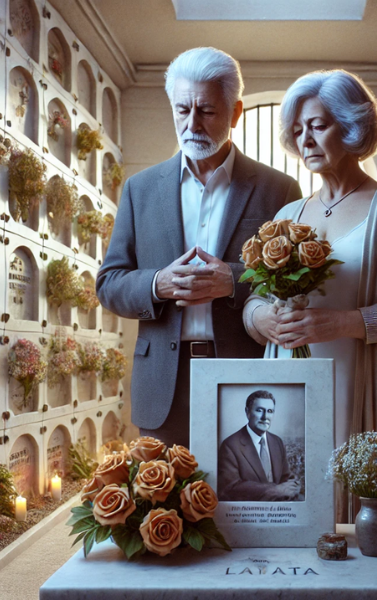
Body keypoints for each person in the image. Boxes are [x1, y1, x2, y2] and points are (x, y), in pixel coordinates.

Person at [243, 70, 377, 524]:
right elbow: (254, 299)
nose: (305, 139)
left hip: (363, 381)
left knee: (358, 505)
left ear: (352, 126)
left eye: (317, 125)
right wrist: (262, 321)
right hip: (289, 382)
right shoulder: (288, 214)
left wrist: (348, 322)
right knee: (290, 491)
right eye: (297, 130)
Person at [96, 48, 302, 446]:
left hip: (247, 377)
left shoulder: (279, 189)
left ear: (235, 112)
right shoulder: (140, 189)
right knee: (164, 508)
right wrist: (159, 283)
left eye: (206, 111)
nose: (192, 124)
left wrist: (234, 280)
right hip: (162, 387)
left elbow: (296, 282)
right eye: (182, 110)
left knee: (240, 506)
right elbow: (109, 284)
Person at [218, 390, 301, 501]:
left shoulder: (277, 442)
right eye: (259, 410)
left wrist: (294, 486)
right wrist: (275, 490)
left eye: (270, 411)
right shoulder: (230, 445)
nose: (265, 417)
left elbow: (286, 477)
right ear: (247, 412)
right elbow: (230, 487)